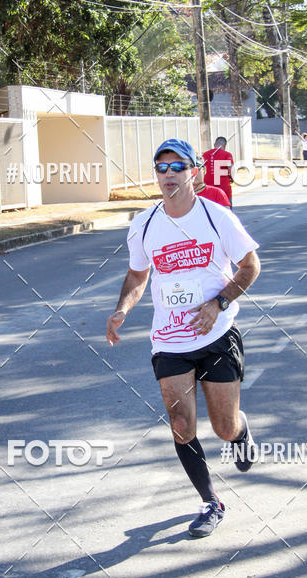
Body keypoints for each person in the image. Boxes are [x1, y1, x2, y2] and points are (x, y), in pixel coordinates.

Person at [106, 138, 260, 539]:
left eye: (178, 167)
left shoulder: (217, 217)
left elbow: (250, 265)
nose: (169, 175)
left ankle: (240, 432)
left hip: (217, 335)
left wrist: (218, 303)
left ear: (195, 171)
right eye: (161, 168)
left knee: (223, 427)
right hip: (169, 340)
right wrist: (123, 309)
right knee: (181, 424)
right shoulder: (143, 224)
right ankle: (212, 502)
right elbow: (138, 275)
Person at [202, 136, 234, 206]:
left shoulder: (205, 154)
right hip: (224, 188)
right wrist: (232, 178)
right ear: (224, 145)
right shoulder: (227, 155)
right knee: (227, 211)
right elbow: (230, 168)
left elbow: (201, 169)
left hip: (209, 189)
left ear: (214, 144)